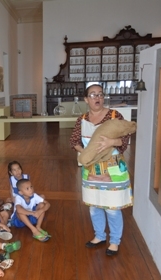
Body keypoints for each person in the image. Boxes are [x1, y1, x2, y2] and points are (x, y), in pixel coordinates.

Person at [69, 84, 132, 256]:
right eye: (93, 95)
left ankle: (114, 241)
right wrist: (87, 153)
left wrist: (111, 143)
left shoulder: (114, 115)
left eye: (100, 94)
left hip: (112, 167)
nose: (97, 98)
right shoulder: (82, 119)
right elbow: (74, 141)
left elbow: (125, 139)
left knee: (112, 207)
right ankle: (99, 236)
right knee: (94, 205)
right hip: (91, 168)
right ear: (86, 99)